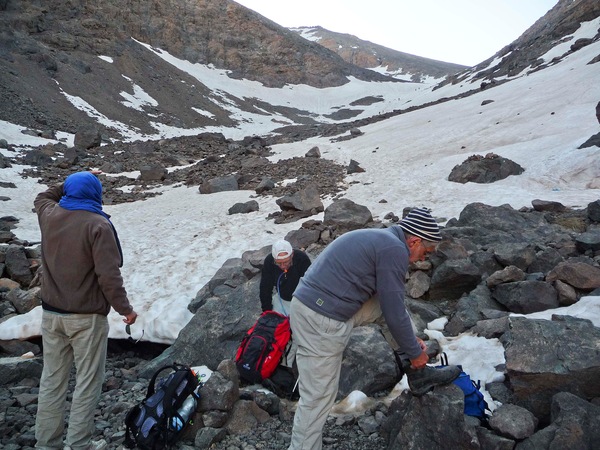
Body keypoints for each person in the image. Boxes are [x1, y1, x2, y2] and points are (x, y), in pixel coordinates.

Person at [287, 208, 461, 450]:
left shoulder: (382, 239)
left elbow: (391, 306)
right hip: (320, 319)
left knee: (386, 309)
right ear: (415, 240)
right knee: (317, 398)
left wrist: (410, 342)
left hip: (318, 306)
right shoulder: (393, 250)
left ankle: (418, 373)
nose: (423, 258)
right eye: (425, 251)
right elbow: (393, 310)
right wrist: (414, 350)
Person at [34, 171, 138, 450]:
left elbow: (42, 196)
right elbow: (108, 276)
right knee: (87, 383)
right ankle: (79, 444)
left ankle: (46, 444)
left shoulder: (50, 215)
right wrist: (125, 309)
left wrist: (67, 183)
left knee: (52, 381)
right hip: (86, 319)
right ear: (96, 193)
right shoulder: (98, 225)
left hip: (51, 315)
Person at [259, 239, 311, 316]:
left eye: (286, 262)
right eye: (278, 263)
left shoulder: (302, 259)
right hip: (282, 299)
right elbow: (265, 288)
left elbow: (310, 285)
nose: (283, 266)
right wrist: (266, 311)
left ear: (292, 255)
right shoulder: (269, 261)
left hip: (301, 300)